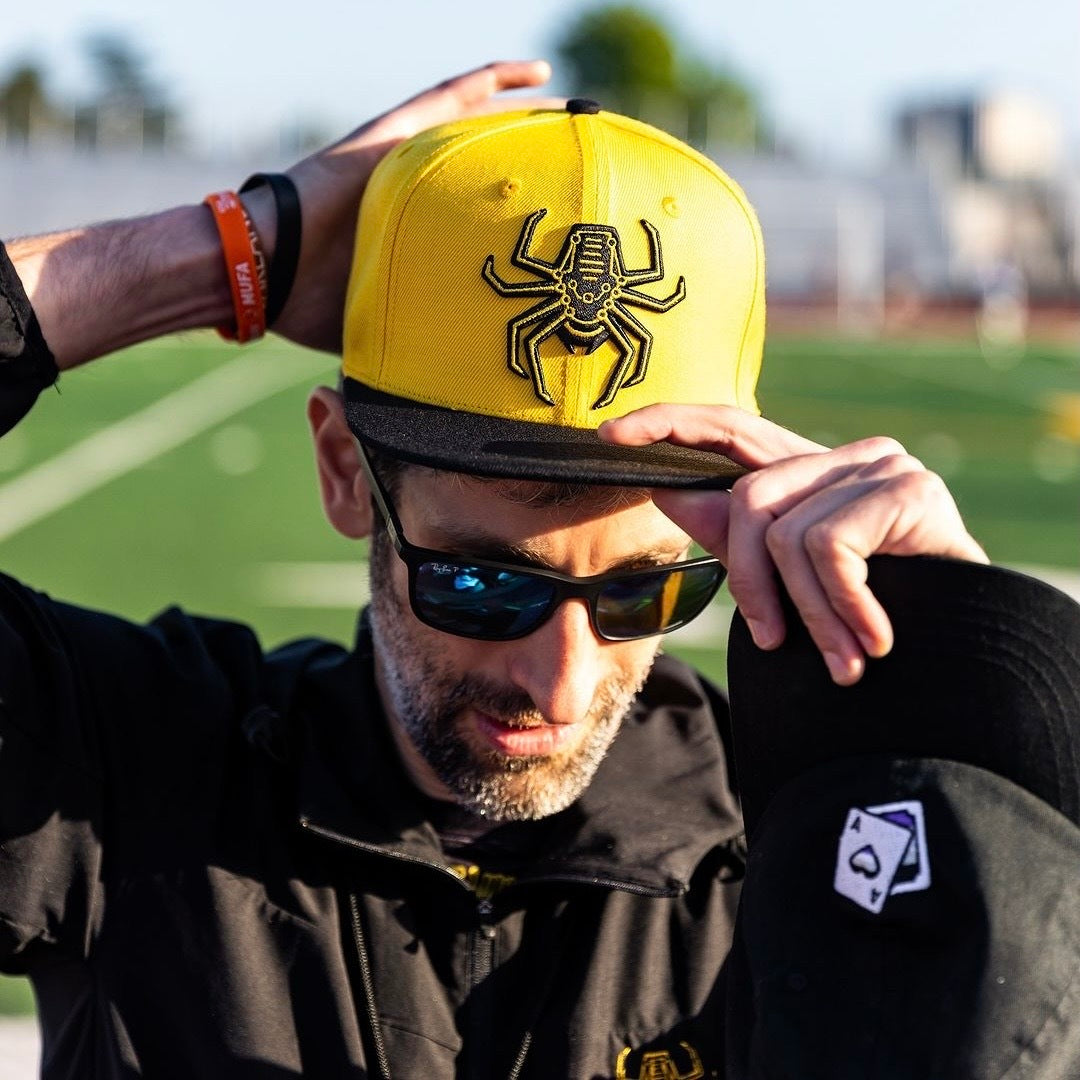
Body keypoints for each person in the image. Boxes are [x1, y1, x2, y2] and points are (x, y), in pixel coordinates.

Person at [0, 61, 1061, 1079]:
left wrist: (969, 702)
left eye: (642, 593)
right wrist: (229, 251)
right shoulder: (124, 781)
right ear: (343, 473)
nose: (560, 682)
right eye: (482, 583)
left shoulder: (795, 840)